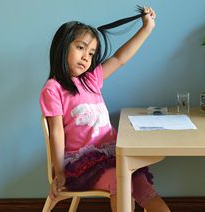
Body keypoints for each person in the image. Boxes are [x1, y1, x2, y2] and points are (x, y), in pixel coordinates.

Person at [39, 6, 170, 212]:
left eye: (91, 53)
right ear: (62, 47)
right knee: (121, 181)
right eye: (80, 48)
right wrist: (59, 172)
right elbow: (56, 132)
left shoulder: (90, 80)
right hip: (82, 165)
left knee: (144, 188)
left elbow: (119, 59)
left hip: (111, 156)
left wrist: (146, 28)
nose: (86, 57)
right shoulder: (53, 89)